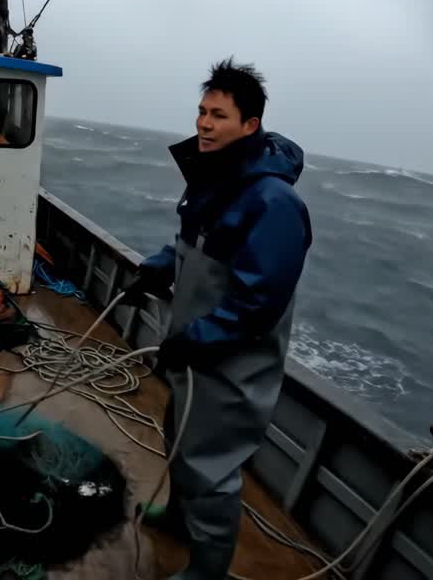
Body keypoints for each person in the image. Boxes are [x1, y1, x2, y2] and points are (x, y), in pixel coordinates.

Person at [122, 58, 313, 580]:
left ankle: (207, 569)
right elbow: (194, 247)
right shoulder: (217, 179)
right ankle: (182, 521)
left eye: (219, 115)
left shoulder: (273, 203)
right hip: (193, 352)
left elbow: (257, 303)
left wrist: (196, 340)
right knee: (177, 438)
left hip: (230, 366)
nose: (204, 124)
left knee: (209, 469)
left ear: (250, 125)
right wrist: (156, 268)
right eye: (203, 112)